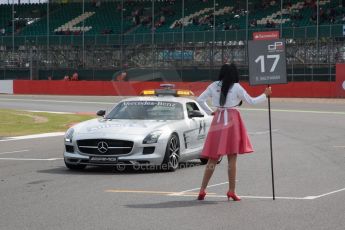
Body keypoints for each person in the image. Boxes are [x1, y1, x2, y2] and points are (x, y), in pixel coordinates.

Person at [196, 63, 272, 201]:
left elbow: (199, 100)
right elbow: (252, 101)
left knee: (212, 158)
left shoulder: (214, 85)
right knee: (232, 158)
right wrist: (265, 95)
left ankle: (202, 189)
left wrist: (211, 112)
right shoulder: (236, 87)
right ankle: (231, 190)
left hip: (218, 119)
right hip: (232, 120)